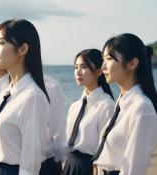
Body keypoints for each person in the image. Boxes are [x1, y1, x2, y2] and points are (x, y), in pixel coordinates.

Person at [0, 19, 50, 175]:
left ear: (22, 49)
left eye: (1, 43)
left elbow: (31, 161)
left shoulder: (32, 97)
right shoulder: (8, 92)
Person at [93, 33, 157, 175]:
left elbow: (134, 168)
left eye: (109, 59)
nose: (103, 66)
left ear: (132, 63)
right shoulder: (122, 102)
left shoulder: (141, 108)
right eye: (103, 59)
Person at [63, 49, 115, 175]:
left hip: (89, 168)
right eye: (76, 67)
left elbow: (106, 150)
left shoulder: (106, 105)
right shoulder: (75, 106)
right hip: (70, 165)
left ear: (98, 71)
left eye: (84, 67)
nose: (78, 72)